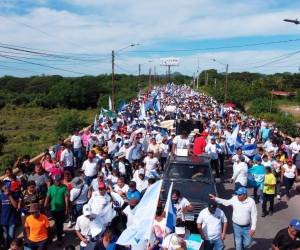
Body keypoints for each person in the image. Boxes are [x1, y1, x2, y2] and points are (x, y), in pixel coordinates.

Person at [44, 175, 69, 245]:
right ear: (53, 181)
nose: (56, 182)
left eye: (58, 180)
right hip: (54, 209)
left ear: (60, 180)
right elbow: (47, 197)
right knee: (57, 223)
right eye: (55, 180)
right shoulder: (51, 188)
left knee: (60, 223)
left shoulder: (64, 187)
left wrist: (67, 208)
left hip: (62, 209)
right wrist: (45, 205)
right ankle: (59, 236)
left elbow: (66, 198)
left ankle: (59, 236)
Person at [0, 183, 18, 248]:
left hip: (12, 220)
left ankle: (12, 248)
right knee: (5, 237)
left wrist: (9, 195)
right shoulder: (1, 196)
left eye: (7, 187)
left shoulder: (14, 194)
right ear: (2, 189)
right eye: (4, 188)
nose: (6, 189)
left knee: (11, 236)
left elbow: (15, 206)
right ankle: (7, 247)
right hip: (3, 220)